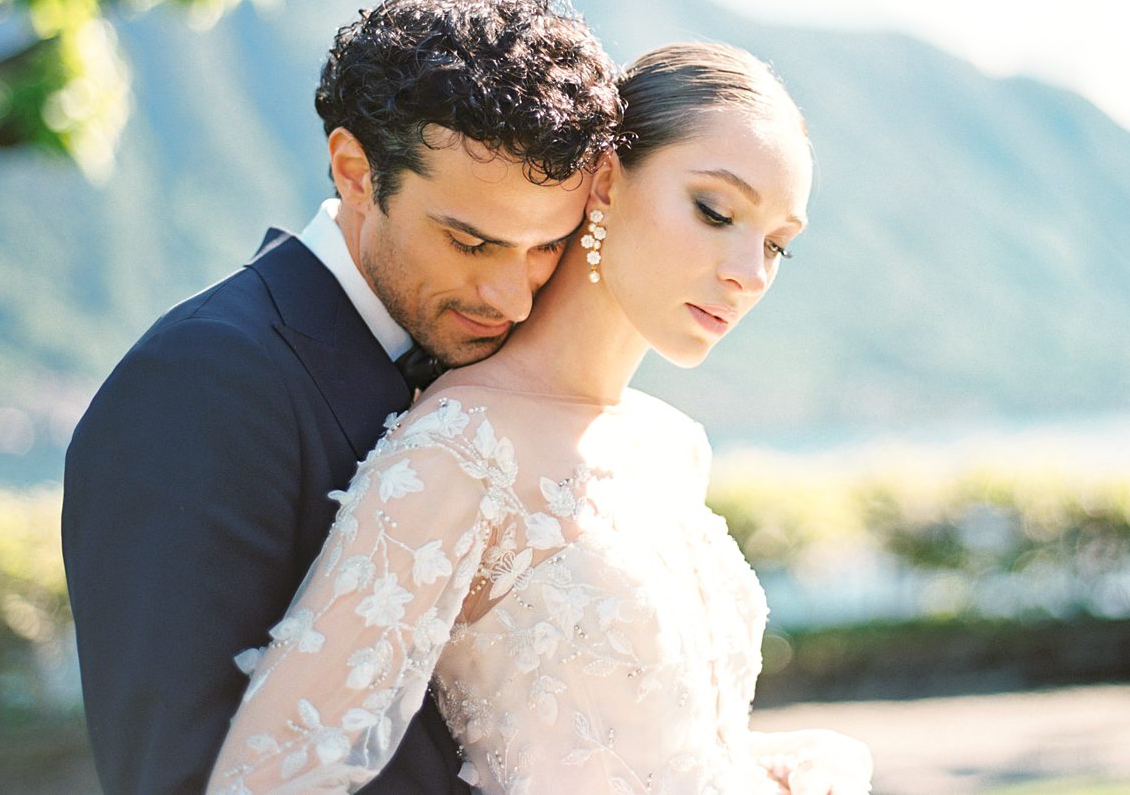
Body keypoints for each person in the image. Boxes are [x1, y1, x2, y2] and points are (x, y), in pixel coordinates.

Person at [207, 42, 874, 794]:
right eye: (716, 211)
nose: (750, 273)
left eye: (778, 245)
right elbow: (270, 777)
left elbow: (648, 746)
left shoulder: (671, 445)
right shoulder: (459, 449)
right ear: (604, 182)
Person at [61, 0, 624, 794]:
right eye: (471, 241)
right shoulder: (197, 388)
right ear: (355, 170)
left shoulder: (508, 373)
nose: (515, 297)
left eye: (546, 248)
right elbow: (179, 775)